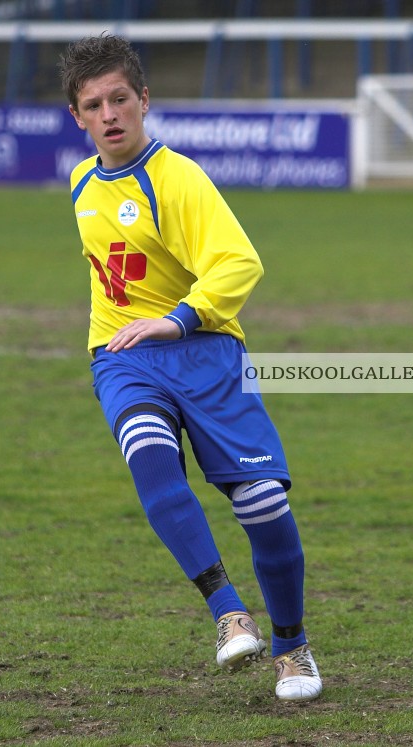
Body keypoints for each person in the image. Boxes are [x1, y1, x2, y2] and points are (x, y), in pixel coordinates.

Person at [57, 33, 322, 703]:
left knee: (264, 506)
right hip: (124, 355)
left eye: (121, 98)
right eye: (94, 104)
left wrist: (177, 318)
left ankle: (293, 647)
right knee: (148, 453)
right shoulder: (81, 182)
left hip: (205, 352)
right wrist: (125, 335)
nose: (110, 113)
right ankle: (227, 610)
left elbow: (239, 263)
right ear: (78, 116)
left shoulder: (179, 178)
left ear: (145, 101)